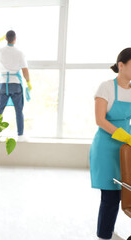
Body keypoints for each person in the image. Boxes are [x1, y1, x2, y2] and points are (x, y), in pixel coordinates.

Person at [90, 47, 131, 240]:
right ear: (121, 65)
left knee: (128, 193)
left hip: (127, 147)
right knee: (111, 197)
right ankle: (104, 236)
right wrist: (124, 136)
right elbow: (100, 119)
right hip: (107, 147)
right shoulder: (106, 87)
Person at [0, 30, 31, 139]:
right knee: (18, 111)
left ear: (6, 39)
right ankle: (20, 135)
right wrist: (28, 82)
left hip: (3, 84)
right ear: (15, 39)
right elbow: (25, 70)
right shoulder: (19, 53)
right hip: (16, 84)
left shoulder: (0, 50)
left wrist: (0, 39)